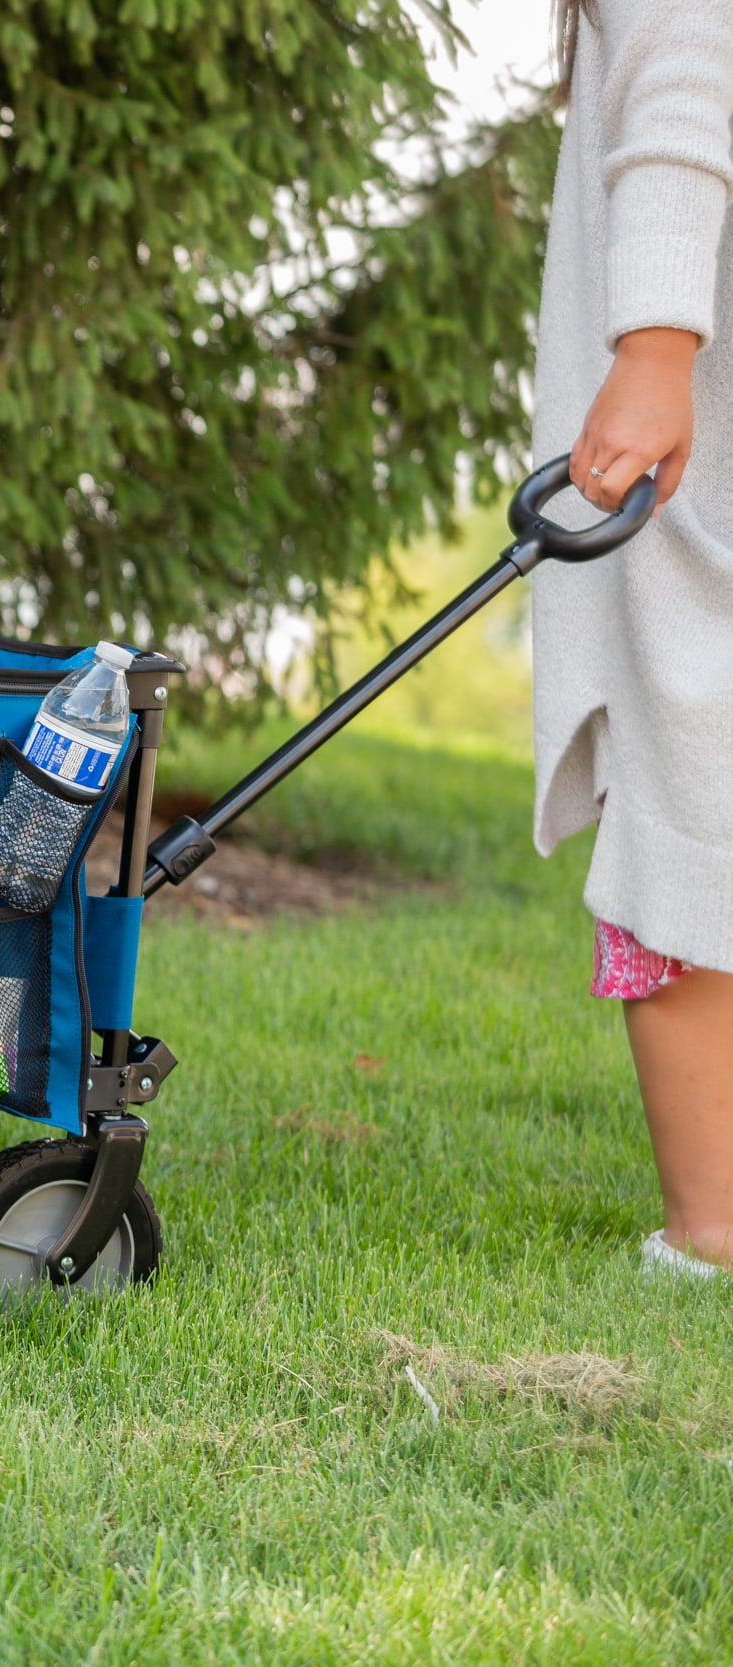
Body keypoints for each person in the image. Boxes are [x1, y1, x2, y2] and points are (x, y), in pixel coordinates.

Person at [535, 1, 733, 1278]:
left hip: (691, 428)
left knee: (682, 781)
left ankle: (708, 1231)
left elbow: (681, 68)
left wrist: (654, 344)